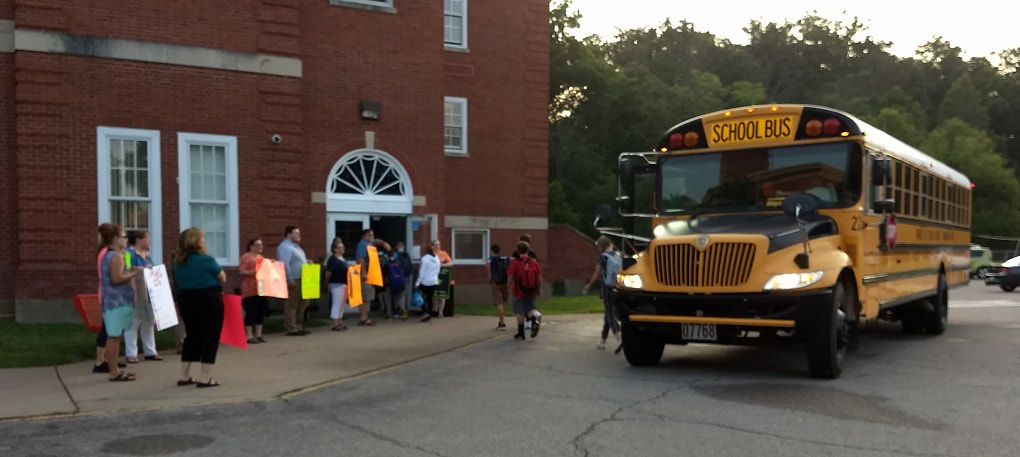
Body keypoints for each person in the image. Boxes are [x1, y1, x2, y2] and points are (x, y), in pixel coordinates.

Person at [173, 227, 227, 388]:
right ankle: (205, 377)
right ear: (197, 242)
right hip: (209, 299)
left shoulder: (178, 262)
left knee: (192, 335)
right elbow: (222, 277)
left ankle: (184, 375)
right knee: (210, 336)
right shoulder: (206, 259)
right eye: (202, 238)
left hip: (186, 300)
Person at [98, 223, 141, 381]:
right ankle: (113, 371)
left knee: (116, 336)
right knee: (114, 336)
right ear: (115, 238)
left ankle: (114, 368)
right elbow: (117, 279)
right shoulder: (115, 256)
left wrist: (129, 271)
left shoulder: (112, 255)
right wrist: (132, 275)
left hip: (114, 301)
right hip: (116, 302)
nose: (126, 240)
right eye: (123, 237)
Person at [124, 230, 161, 363]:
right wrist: (142, 269)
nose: (149, 241)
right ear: (139, 240)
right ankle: (131, 353)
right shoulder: (128, 254)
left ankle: (150, 351)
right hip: (134, 292)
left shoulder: (147, 256)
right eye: (147, 238)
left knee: (148, 321)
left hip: (148, 293)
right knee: (133, 323)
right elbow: (127, 269)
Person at [582, 236, 622, 350]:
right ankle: (602, 341)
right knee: (607, 314)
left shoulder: (602, 258)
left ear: (601, 246)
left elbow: (596, 275)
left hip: (607, 288)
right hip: (618, 287)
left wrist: (588, 286)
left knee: (610, 313)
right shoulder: (618, 255)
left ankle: (619, 338)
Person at [277, 226, 310, 336]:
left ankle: (298, 325)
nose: (298, 235)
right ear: (288, 234)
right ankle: (291, 327)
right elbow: (285, 264)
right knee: (292, 304)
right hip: (294, 279)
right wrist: (289, 279)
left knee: (302, 303)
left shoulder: (297, 247)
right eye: (296, 233)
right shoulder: (285, 247)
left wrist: (307, 263)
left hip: (304, 278)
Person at [507, 241, 542, 340]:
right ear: (528, 250)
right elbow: (539, 277)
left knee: (520, 312)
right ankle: (534, 320)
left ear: (518, 250)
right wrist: (538, 289)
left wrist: (508, 287)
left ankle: (521, 333)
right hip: (531, 291)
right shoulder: (534, 262)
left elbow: (510, 276)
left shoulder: (515, 262)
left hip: (518, 291)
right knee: (529, 309)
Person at [239, 239, 269, 344]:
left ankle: (259, 334)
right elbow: (242, 271)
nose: (260, 247)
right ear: (251, 246)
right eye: (257, 245)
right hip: (250, 288)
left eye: (261, 245)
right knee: (251, 311)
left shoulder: (261, 258)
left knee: (260, 311)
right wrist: (253, 271)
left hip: (261, 287)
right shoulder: (246, 257)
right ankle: (249, 335)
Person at [355, 229, 387, 326]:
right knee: (365, 297)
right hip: (365, 274)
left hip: (370, 273)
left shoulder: (369, 243)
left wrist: (384, 244)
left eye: (372, 235)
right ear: (364, 236)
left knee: (367, 296)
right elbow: (361, 258)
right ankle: (363, 318)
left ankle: (364, 316)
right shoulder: (363, 245)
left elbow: (376, 240)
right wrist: (364, 273)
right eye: (369, 235)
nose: (371, 237)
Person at [323, 238, 350, 332]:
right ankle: (335, 324)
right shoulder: (333, 260)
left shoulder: (342, 259)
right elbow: (328, 273)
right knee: (336, 304)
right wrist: (326, 283)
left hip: (344, 284)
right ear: (335, 249)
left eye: (343, 247)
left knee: (341, 304)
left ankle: (339, 322)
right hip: (336, 284)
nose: (343, 249)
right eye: (340, 247)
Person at [486, 244, 510, 331]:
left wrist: (490, 278)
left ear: (492, 251)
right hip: (505, 282)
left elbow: (488, 269)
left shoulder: (490, 259)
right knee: (503, 302)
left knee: (499, 303)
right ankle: (501, 320)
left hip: (496, 282)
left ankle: (502, 323)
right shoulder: (505, 258)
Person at [415, 243, 440, 322]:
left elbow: (421, 272)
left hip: (425, 282)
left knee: (420, 297)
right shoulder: (437, 258)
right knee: (430, 298)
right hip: (434, 281)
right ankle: (429, 313)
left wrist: (417, 283)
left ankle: (425, 312)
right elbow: (438, 270)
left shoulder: (424, 259)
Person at [390, 242, 412, 320]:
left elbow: (391, 265)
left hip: (396, 278)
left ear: (397, 247)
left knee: (396, 295)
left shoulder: (395, 255)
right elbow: (410, 267)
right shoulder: (407, 255)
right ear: (403, 247)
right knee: (403, 295)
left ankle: (398, 311)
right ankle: (403, 310)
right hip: (405, 278)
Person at [431, 239, 453, 317]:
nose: (438, 246)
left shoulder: (443, 254)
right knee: (434, 294)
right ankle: (434, 310)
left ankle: (440, 312)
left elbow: (450, 263)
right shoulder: (430, 254)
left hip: (442, 277)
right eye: (436, 245)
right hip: (432, 276)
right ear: (432, 246)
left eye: (439, 245)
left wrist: (441, 266)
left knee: (441, 295)